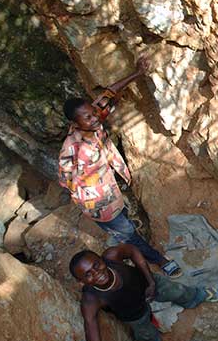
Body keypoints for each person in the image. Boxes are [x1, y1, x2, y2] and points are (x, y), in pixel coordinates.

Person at [58, 58, 181, 277]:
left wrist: (137, 73)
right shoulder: (72, 149)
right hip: (100, 204)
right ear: (76, 123)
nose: (95, 118)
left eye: (93, 113)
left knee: (126, 218)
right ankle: (159, 260)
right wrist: (88, 189)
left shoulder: (91, 119)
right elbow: (65, 179)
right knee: (128, 234)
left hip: (112, 189)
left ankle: (133, 234)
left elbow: (109, 94)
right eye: (88, 117)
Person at [69, 245, 218, 341]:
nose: (97, 273)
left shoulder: (112, 256)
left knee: (178, 291)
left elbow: (133, 251)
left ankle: (197, 296)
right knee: (146, 336)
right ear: (81, 282)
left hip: (149, 286)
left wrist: (151, 281)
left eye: (97, 265)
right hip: (134, 314)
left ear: (101, 259)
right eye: (88, 274)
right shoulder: (91, 300)